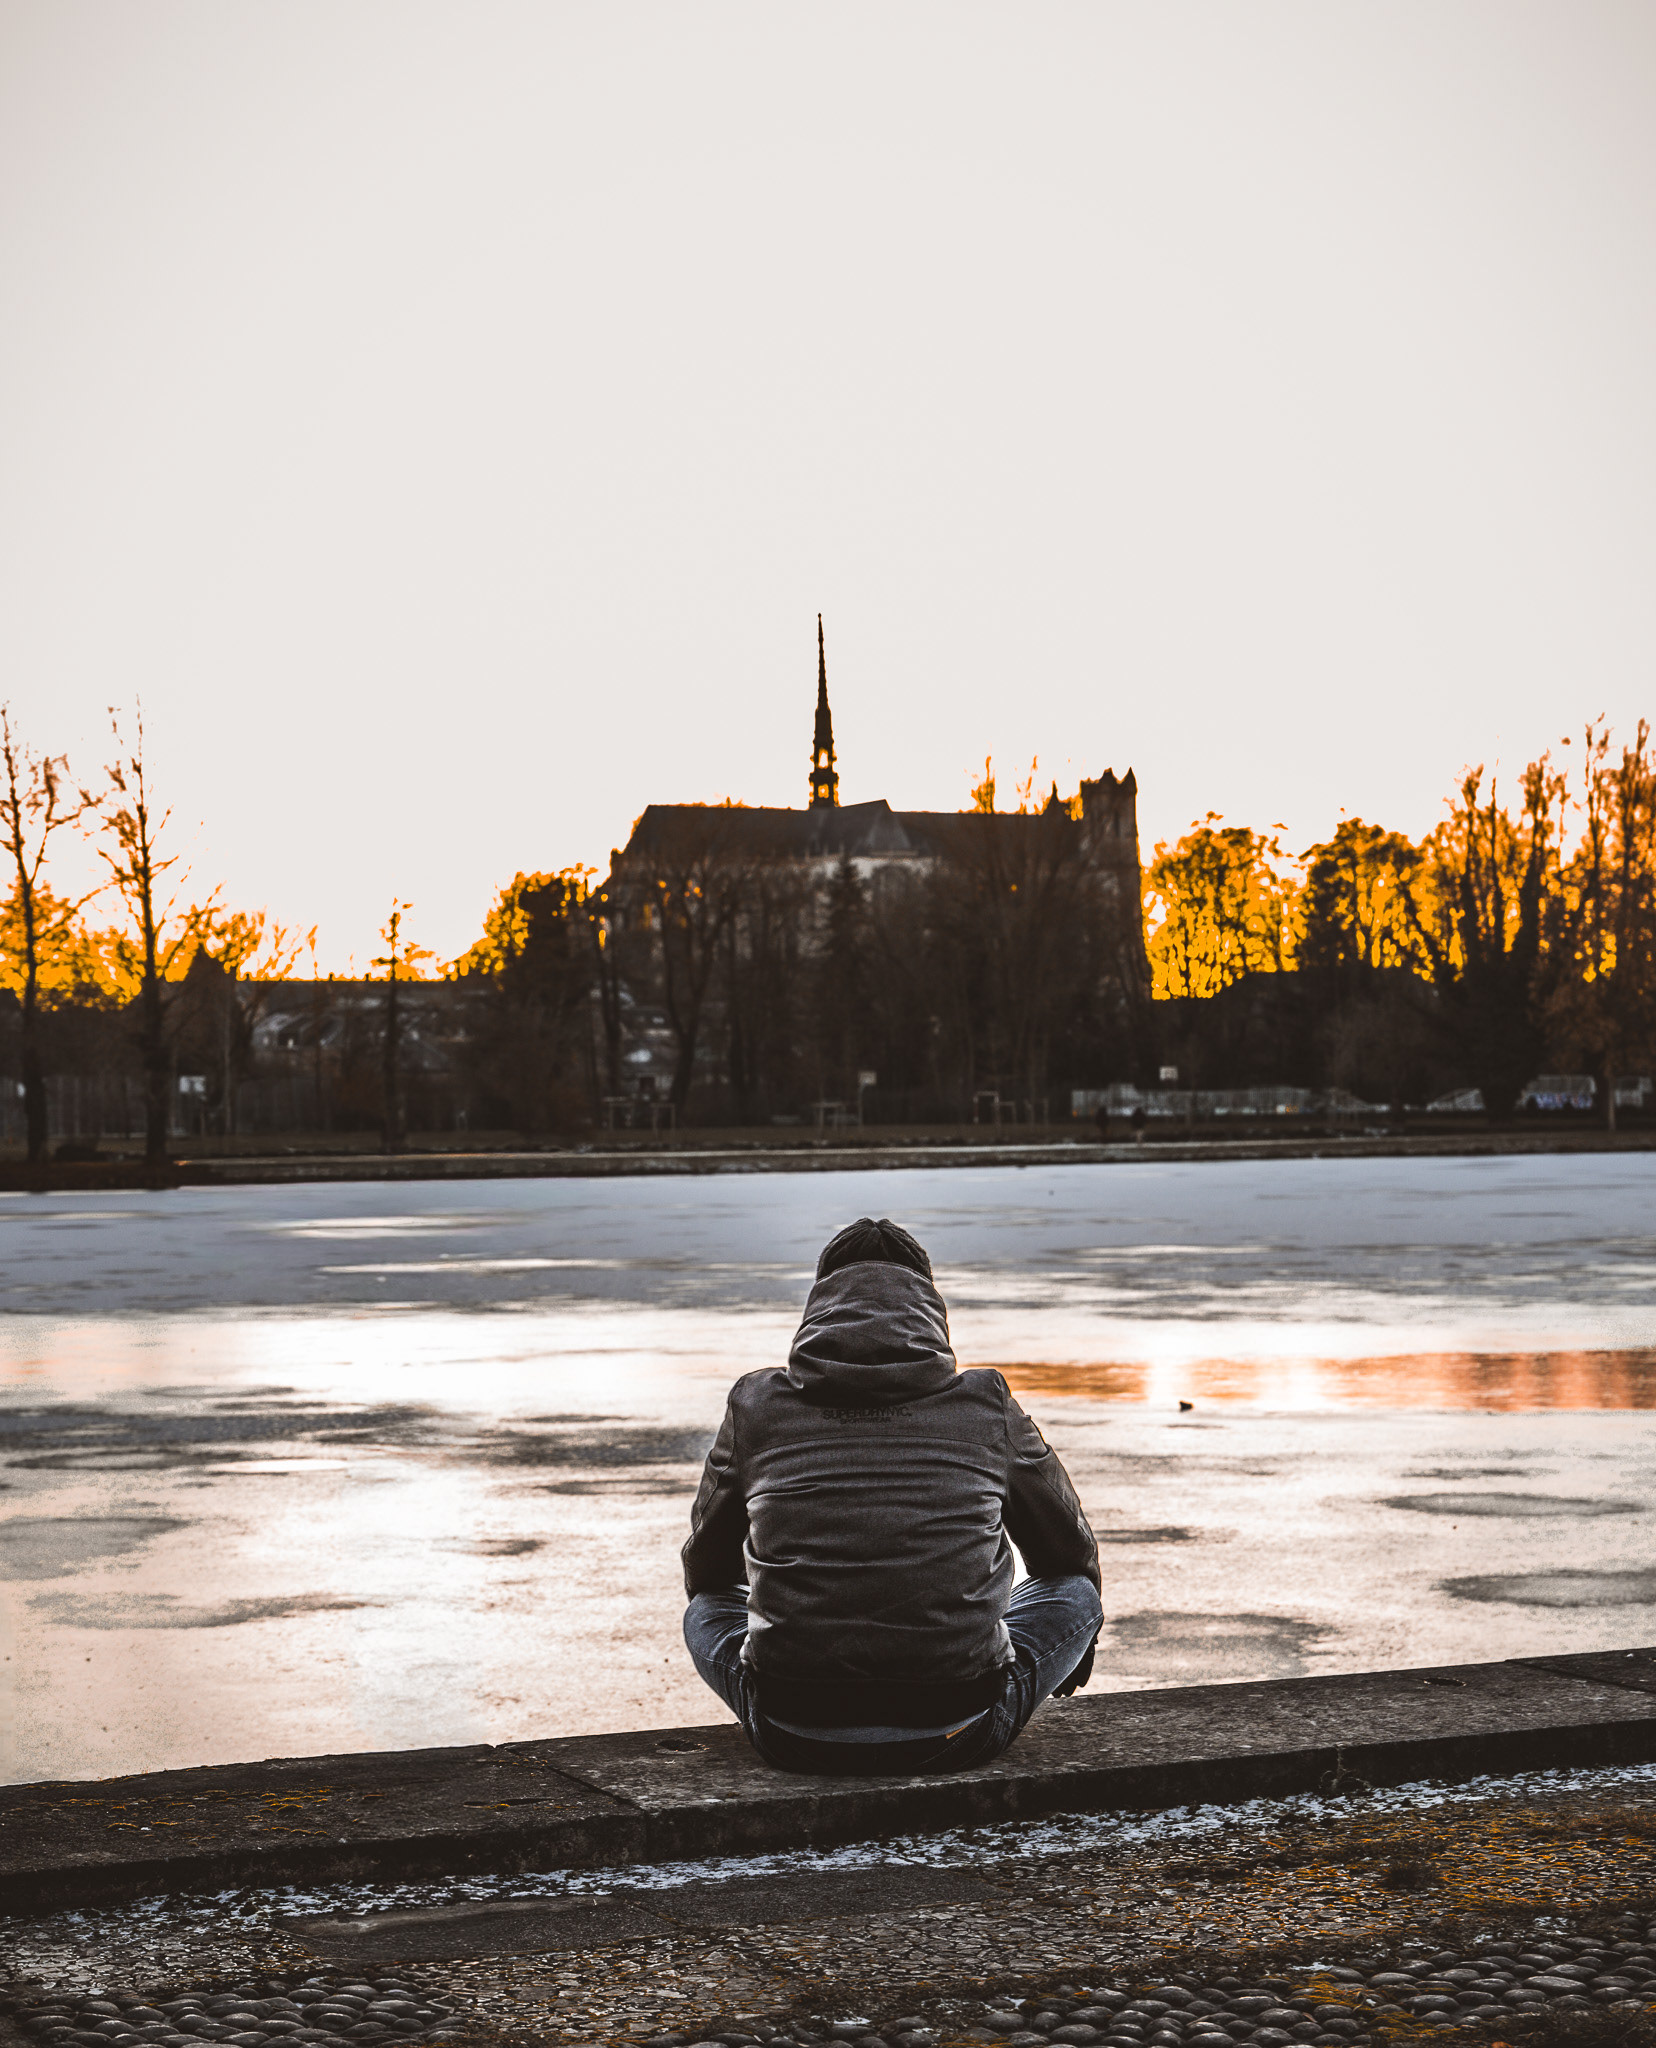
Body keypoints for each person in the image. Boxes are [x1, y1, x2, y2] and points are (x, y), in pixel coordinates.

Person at [682, 1215, 1101, 1775]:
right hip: (960, 1725)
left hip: (790, 1728)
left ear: (820, 1305)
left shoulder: (757, 1404)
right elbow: (1065, 1555)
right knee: (1075, 1594)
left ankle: (810, 1700)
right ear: (930, 1306)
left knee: (707, 1609)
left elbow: (708, 1570)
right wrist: (1076, 1645)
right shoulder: (984, 1402)